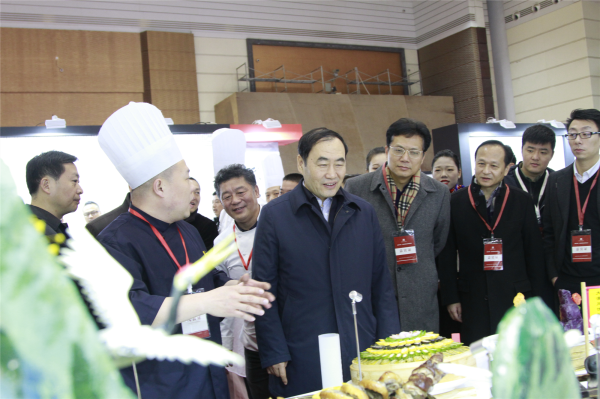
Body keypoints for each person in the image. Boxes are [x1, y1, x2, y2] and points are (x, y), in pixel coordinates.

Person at [96, 102, 275, 399]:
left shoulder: (188, 230)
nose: (193, 186)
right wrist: (208, 301)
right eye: (185, 176)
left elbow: (207, 281)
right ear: (160, 187)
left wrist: (234, 287)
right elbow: (130, 309)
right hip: (162, 383)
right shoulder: (115, 241)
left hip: (209, 372)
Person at [253, 127, 400, 397]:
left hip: (361, 344)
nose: (332, 174)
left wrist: (389, 344)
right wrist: (274, 351)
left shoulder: (362, 212)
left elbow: (381, 287)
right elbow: (263, 292)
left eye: (339, 163)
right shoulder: (275, 216)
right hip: (302, 348)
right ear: (301, 162)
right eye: (322, 163)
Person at [439, 140, 553, 345]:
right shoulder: (457, 201)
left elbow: (534, 254)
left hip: (514, 296)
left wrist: (538, 301)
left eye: (493, 165)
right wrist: (451, 297)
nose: (486, 171)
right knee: (478, 357)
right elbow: (447, 253)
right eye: (481, 164)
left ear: (506, 168)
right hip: (472, 298)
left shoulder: (521, 200)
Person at [345, 118, 451, 332]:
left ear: (423, 156)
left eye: (413, 152)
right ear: (387, 150)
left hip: (420, 297)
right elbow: (350, 242)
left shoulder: (438, 193)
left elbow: (437, 242)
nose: (405, 158)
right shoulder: (357, 188)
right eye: (398, 150)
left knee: (420, 359)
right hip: (373, 294)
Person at [213, 164, 269, 399]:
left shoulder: (278, 224)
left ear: (256, 190)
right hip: (244, 335)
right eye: (227, 196)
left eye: (241, 192)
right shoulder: (221, 241)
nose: (235, 200)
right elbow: (215, 278)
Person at [543, 109, 600, 298]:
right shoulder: (557, 180)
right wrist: (554, 276)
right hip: (567, 280)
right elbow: (549, 231)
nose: (577, 140)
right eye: (572, 134)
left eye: (586, 133)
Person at [504, 124, 555, 227]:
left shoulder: (558, 182)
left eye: (543, 152)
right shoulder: (504, 182)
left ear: (552, 155)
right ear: (522, 149)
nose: (535, 157)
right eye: (530, 151)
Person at [26, 150, 83, 242]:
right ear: (46, 185)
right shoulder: (31, 234)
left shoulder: (51, 228)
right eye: (74, 181)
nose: (80, 190)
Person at [185, 177, 218, 250]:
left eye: (197, 192)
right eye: (188, 191)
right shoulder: (168, 222)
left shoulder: (207, 226)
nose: (193, 197)